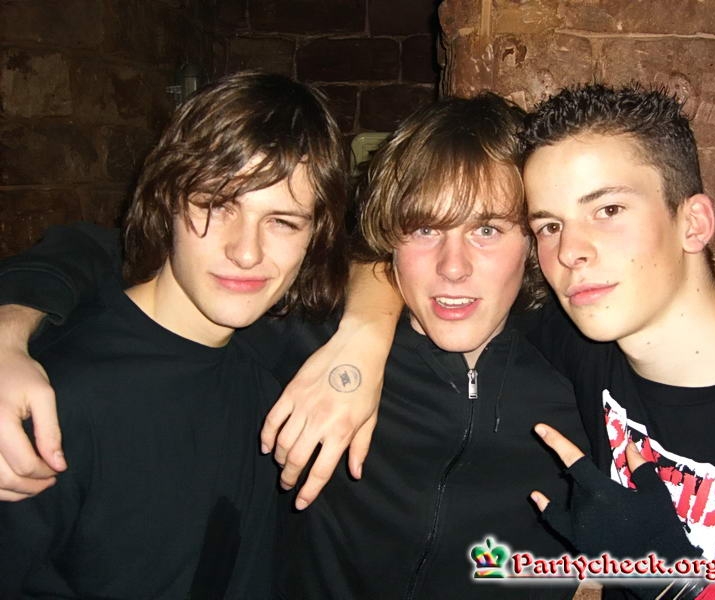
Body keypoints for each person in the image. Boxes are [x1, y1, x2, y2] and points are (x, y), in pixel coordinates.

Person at [0, 93, 586, 599]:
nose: (453, 266)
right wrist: (11, 325)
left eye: (487, 229)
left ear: (534, 240)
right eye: (424, 228)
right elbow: (114, 254)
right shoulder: (297, 342)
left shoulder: (580, 374)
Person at [0, 70, 363, 598]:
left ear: (315, 235)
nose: (246, 252)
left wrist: (366, 339)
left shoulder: (283, 361)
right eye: (217, 205)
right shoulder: (52, 397)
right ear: (168, 197)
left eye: (282, 221)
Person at [520, 84, 715, 598]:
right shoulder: (590, 348)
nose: (569, 251)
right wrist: (368, 324)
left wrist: (675, 584)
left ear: (693, 223)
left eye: (608, 210)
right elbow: (451, 278)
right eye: (550, 225)